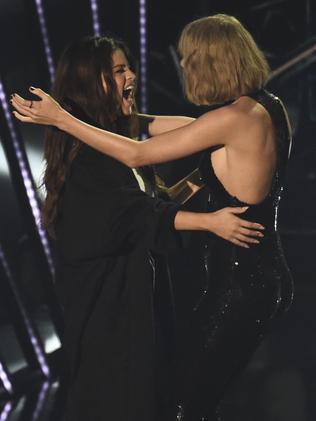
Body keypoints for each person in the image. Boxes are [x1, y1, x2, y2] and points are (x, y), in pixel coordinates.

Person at [12, 34, 264, 421]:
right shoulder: (91, 161)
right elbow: (134, 218)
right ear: (92, 81)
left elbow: (153, 202)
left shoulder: (117, 139)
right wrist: (210, 223)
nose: (132, 74)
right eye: (118, 70)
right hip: (109, 317)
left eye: (128, 66)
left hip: (138, 308)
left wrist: (204, 174)